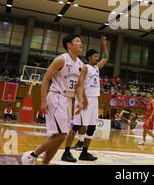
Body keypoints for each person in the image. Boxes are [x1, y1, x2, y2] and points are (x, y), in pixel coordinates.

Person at [21, 34, 85, 165]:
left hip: (69, 100)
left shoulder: (81, 65)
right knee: (61, 135)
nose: (80, 43)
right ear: (69, 45)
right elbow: (46, 79)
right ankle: (31, 155)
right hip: (56, 97)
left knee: (59, 137)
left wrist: (80, 101)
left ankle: (44, 163)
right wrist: (43, 101)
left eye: (80, 42)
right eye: (77, 41)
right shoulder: (61, 60)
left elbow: (79, 85)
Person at [62, 36, 109, 162]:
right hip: (85, 99)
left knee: (92, 128)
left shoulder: (96, 68)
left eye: (97, 56)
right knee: (77, 126)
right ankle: (66, 152)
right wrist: (84, 97)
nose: (97, 58)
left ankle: (84, 152)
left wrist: (104, 44)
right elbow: (80, 83)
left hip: (95, 100)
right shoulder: (85, 67)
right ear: (89, 57)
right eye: (94, 56)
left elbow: (106, 58)